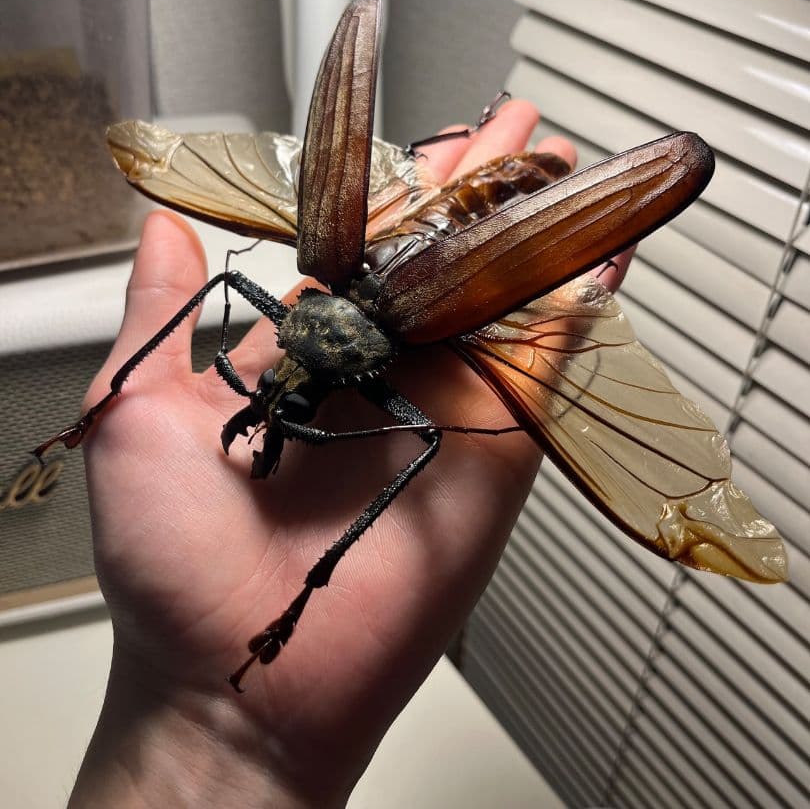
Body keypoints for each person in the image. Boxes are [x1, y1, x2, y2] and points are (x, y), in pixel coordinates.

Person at [69, 100, 632, 807]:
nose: (270, 404)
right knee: (428, 432)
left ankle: (314, 585)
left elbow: (430, 434)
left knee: (432, 430)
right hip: (439, 227)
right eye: (276, 391)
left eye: (280, 396)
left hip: (485, 225)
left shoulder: (389, 309)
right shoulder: (330, 279)